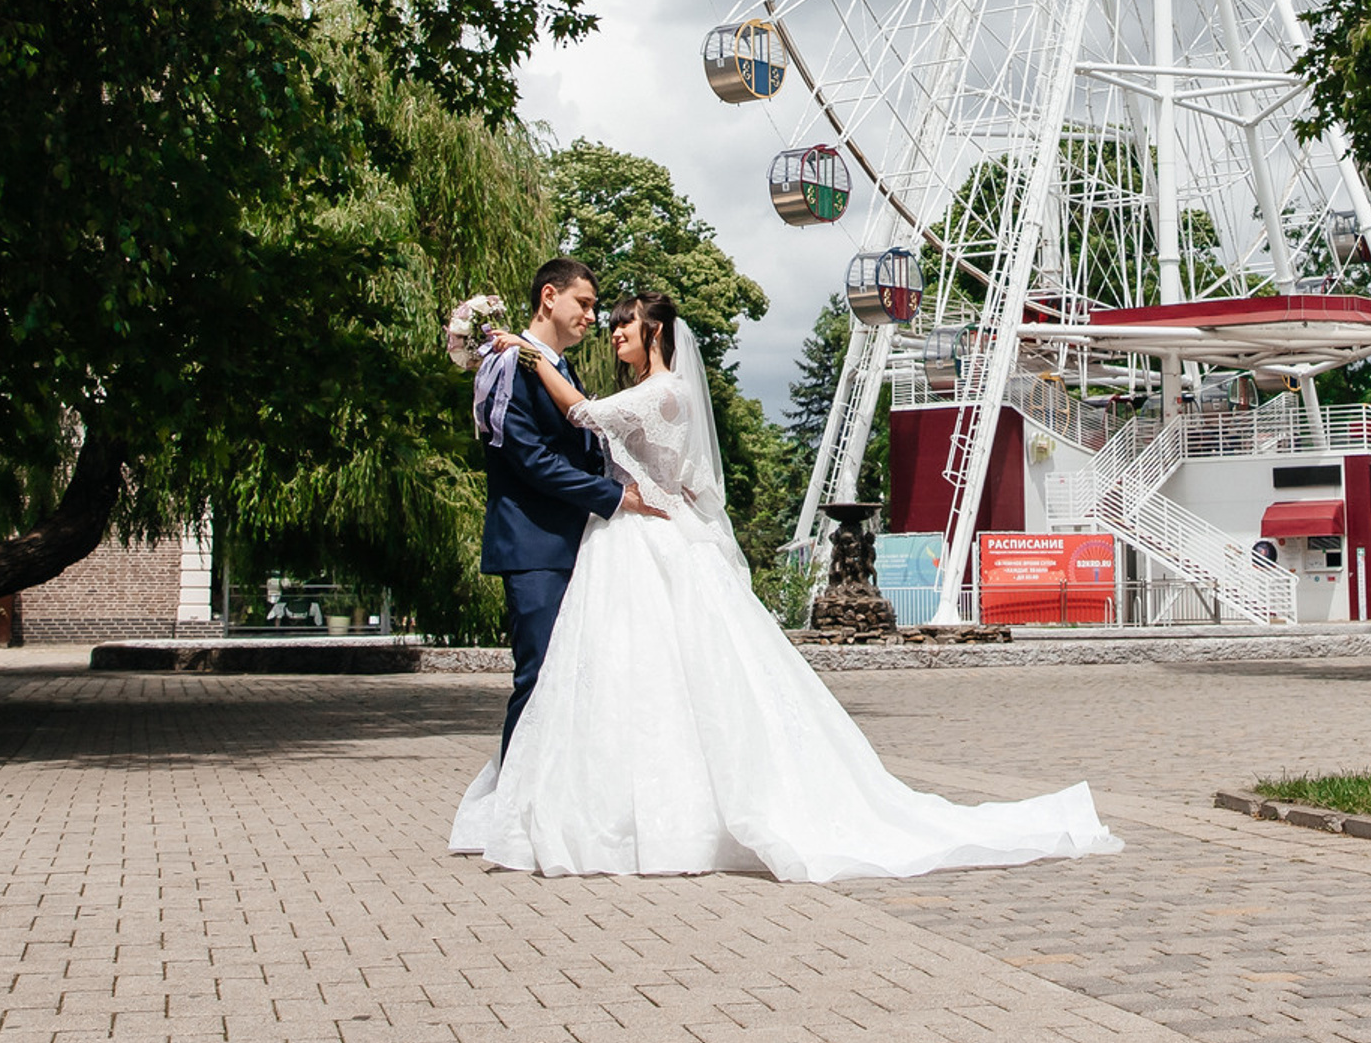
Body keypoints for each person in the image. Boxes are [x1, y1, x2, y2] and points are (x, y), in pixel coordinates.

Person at [451, 290, 1120, 882]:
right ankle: (596, 805)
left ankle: (642, 814)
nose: (611, 331)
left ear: (653, 332)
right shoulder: (648, 390)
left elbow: (585, 420)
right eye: (603, 316)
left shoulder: (662, 391)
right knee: (627, 675)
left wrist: (528, 355)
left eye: (622, 323)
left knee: (655, 673)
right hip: (628, 538)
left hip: (643, 535)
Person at [471, 259, 670, 772]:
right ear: (548, 298)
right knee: (538, 678)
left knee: (571, 680)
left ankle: (548, 803)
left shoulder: (553, 366)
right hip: (534, 544)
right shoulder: (509, 363)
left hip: (575, 543)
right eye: (583, 304)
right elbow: (529, 458)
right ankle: (509, 806)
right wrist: (613, 497)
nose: (592, 316)